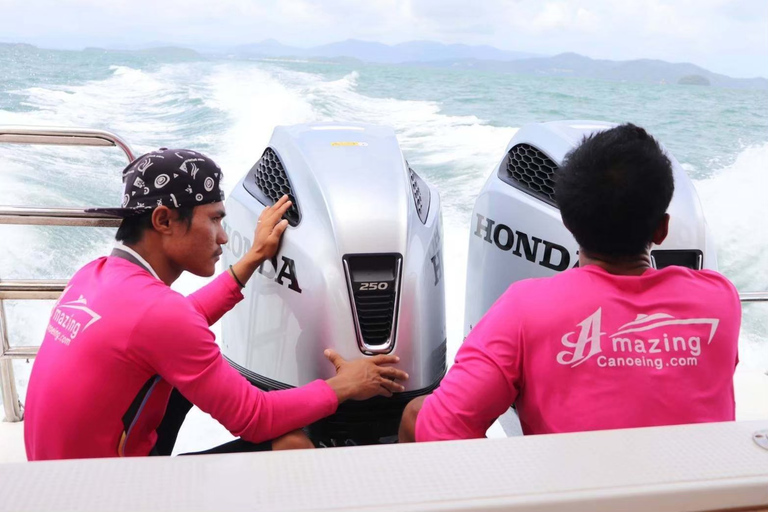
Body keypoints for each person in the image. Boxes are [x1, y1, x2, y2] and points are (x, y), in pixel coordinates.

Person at [24, 148, 407, 460]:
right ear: (164, 220)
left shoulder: (96, 274)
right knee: (289, 445)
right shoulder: (158, 314)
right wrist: (343, 386)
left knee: (188, 374)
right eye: (214, 220)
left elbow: (172, 324)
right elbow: (255, 419)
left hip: (58, 481)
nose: (224, 237)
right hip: (107, 494)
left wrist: (251, 260)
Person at [399, 123, 740, 442]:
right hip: (704, 496)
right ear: (663, 230)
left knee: (416, 415)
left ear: (567, 219)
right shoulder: (720, 299)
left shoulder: (526, 308)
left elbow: (440, 427)